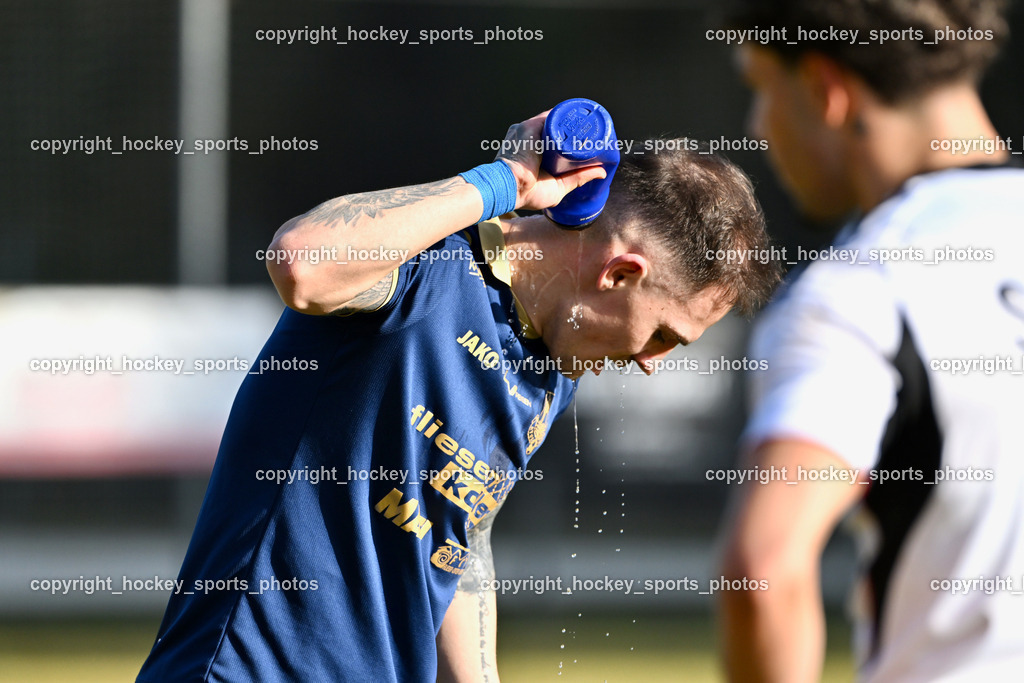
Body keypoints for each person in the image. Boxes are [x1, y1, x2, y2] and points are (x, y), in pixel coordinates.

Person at [137, 108, 778, 682]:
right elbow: (302, 265)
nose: (652, 363)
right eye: (666, 334)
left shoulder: (552, 369)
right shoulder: (428, 267)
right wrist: (507, 181)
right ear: (619, 274)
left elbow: (459, 531)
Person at [715, 1, 1024, 681]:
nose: (757, 126)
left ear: (827, 90)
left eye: (763, 88)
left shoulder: (860, 289)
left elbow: (763, 568)